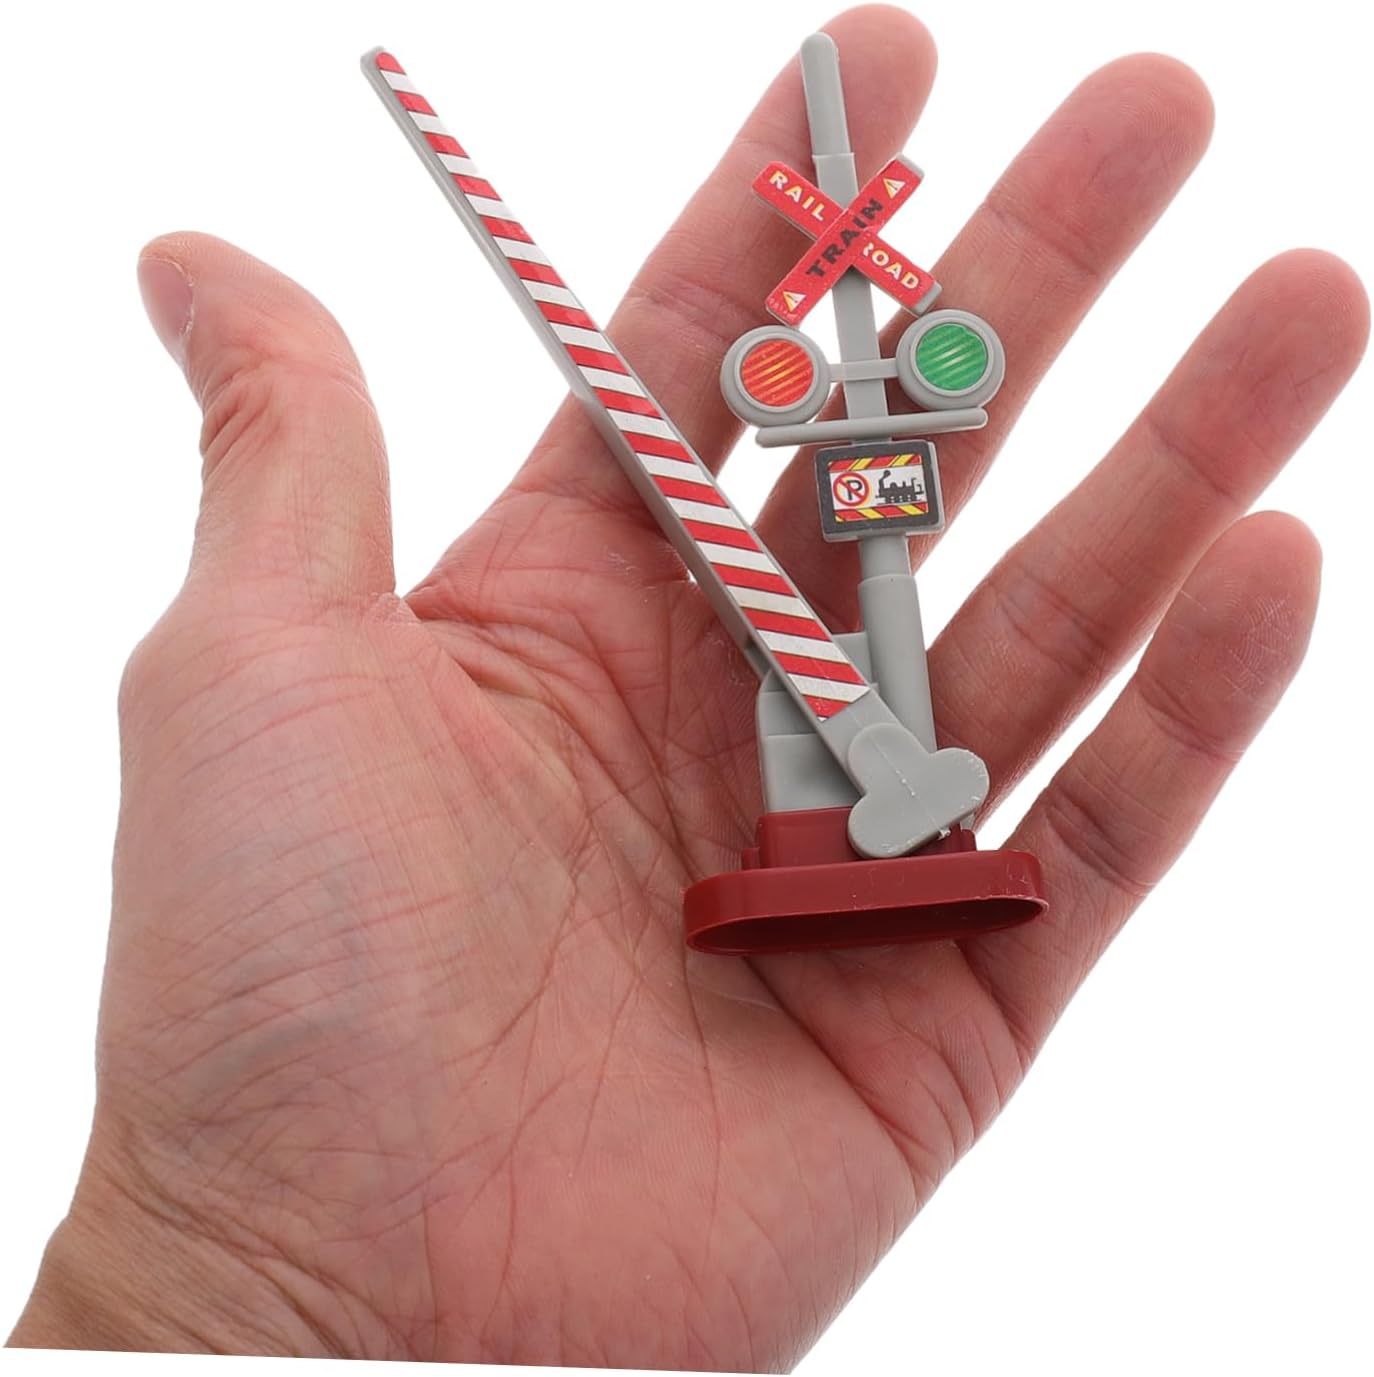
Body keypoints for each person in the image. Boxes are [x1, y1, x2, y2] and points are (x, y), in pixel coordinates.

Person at [7, 6, 1367, 1368]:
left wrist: (220, 1298)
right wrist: (226, 1286)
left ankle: (896, 786)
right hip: (821, 689)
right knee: (806, 684)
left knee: (864, 631)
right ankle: (864, 789)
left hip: (876, 542)